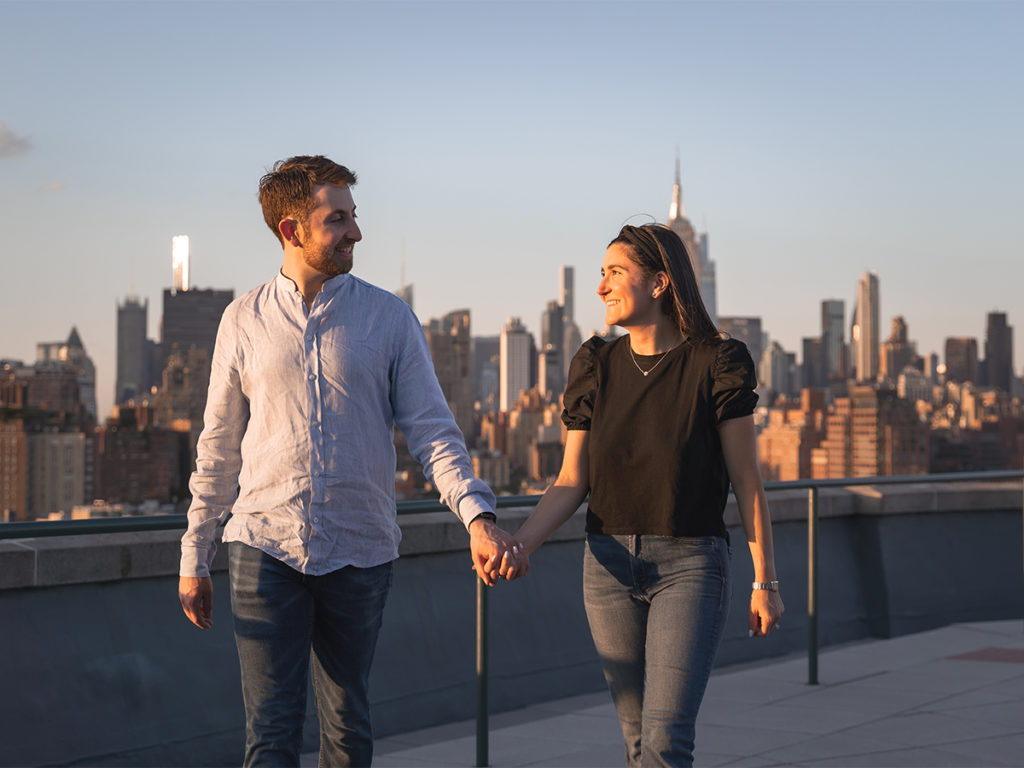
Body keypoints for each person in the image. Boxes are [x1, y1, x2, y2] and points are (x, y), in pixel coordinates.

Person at [178, 155, 524, 767]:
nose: (355, 232)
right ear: (292, 230)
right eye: (338, 219)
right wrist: (194, 554)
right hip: (264, 546)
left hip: (360, 550)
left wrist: (477, 517)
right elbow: (218, 447)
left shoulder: (388, 318)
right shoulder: (242, 320)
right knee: (271, 731)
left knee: (346, 723)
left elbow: (432, 431)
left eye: (354, 217)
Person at [509, 223, 784, 767]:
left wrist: (765, 582)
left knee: (665, 742)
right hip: (607, 568)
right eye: (601, 273)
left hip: (690, 565)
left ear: (660, 283)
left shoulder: (717, 363)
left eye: (615, 273)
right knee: (637, 742)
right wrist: (520, 545)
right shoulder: (596, 367)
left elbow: (747, 481)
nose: (601, 287)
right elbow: (569, 481)